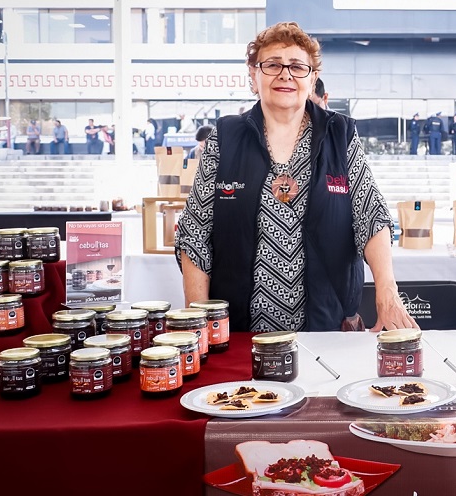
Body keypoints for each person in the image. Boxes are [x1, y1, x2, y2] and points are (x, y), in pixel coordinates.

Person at [175, 21, 417, 333]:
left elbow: (370, 215)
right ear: (253, 75)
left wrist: (387, 292)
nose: (285, 74)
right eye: (273, 64)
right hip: (238, 335)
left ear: (312, 77)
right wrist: (199, 321)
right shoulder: (225, 137)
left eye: (298, 67)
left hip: (328, 331)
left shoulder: (340, 135)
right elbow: (196, 234)